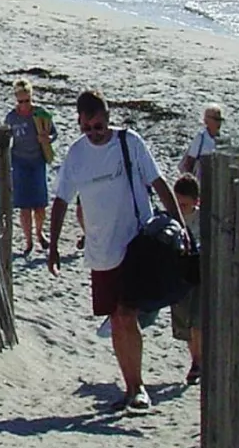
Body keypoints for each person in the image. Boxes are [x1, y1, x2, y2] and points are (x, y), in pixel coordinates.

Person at [48, 90, 182, 412]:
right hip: (100, 250)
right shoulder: (77, 155)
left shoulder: (129, 142)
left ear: (108, 119)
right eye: (88, 128)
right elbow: (61, 200)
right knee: (117, 320)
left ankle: (138, 388)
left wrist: (178, 223)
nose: (95, 133)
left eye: (99, 126)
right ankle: (129, 385)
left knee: (126, 314)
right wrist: (52, 247)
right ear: (79, 123)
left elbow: (159, 182)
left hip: (136, 243)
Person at [4, 80, 56, 255]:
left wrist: (47, 139)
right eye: (21, 101)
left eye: (27, 101)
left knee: (40, 205)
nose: (24, 105)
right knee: (24, 206)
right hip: (19, 161)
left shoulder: (40, 114)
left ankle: (40, 232)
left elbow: (53, 132)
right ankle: (28, 241)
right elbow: (5, 138)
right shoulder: (12, 117)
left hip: (37, 160)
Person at [170, 174, 203, 385]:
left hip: (199, 272)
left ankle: (197, 363)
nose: (180, 208)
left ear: (195, 201)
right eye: (177, 203)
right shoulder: (171, 218)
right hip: (179, 274)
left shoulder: (204, 218)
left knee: (198, 320)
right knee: (184, 321)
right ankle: (196, 360)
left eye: (184, 204)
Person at [179, 104, 223, 177]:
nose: (219, 123)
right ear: (206, 121)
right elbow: (189, 162)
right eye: (216, 119)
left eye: (220, 120)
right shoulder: (200, 138)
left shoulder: (222, 141)